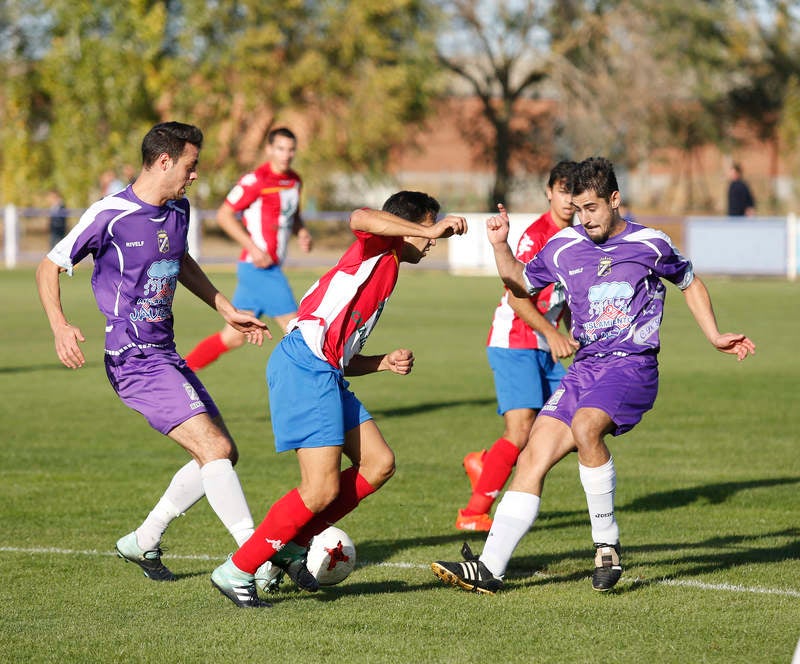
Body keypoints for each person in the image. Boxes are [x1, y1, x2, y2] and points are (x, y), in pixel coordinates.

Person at [431, 157, 755, 594]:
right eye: (578, 209)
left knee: (587, 426)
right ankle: (490, 567)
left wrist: (714, 335)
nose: (584, 218)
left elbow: (690, 281)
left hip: (632, 365)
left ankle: (606, 545)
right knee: (533, 455)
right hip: (586, 367)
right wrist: (499, 245)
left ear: (614, 200)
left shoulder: (650, 243)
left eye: (591, 208)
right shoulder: (565, 245)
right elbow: (521, 282)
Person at [36, 121, 270, 585]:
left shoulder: (178, 209)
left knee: (225, 453)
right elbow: (49, 265)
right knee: (215, 448)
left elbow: (180, 260)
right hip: (131, 356)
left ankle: (143, 541)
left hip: (163, 349)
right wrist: (60, 325)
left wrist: (225, 307)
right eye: (191, 165)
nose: (194, 175)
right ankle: (256, 556)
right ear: (164, 161)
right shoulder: (111, 213)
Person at [210, 191, 468, 608]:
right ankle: (238, 569)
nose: (432, 239)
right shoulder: (377, 246)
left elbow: (342, 357)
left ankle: (293, 547)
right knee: (320, 488)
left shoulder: (388, 267)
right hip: (304, 366)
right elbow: (360, 216)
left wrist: (381, 362)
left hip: (323, 369)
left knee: (379, 464)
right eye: (427, 226)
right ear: (408, 225)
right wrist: (425, 228)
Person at [457, 161, 578, 532]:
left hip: (545, 344)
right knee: (522, 429)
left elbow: (570, 298)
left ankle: (486, 462)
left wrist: (577, 334)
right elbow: (516, 298)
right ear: (549, 192)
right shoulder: (536, 236)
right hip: (516, 339)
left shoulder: (578, 240)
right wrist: (554, 334)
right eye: (563, 191)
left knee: (575, 424)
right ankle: (473, 514)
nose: (569, 200)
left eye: (575, 192)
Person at [184, 126, 312, 371]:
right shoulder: (256, 181)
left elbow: (292, 216)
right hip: (259, 269)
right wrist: (252, 247)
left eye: (291, 149)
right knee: (300, 335)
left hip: (264, 270)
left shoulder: (294, 181)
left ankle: (182, 372)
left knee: (233, 337)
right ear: (269, 149)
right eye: (281, 149)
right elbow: (224, 215)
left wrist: (302, 232)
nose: (286, 154)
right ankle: (328, 403)